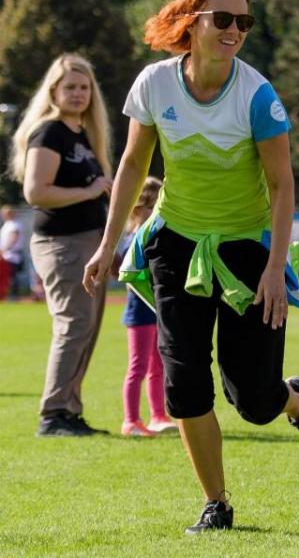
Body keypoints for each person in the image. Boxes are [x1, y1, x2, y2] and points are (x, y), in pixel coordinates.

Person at [81, 0, 299, 535]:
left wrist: (276, 269)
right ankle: (216, 503)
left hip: (249, 250)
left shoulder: (257, 95)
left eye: (242, 22)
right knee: (184, 383)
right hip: (175, 243)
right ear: (190, 22)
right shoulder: (153, 85)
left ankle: (298, 402)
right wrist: (108, 244)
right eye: (222, 19)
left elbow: (281, 186)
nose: (234, 31)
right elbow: (131, 166)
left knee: (254, 399)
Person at [10, 54, 113, 436]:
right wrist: (88, 190)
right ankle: (52, 414)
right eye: (69, 86)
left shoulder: (84, 135)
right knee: (74, 325)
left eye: (84, 87)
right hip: (61, 244)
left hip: (89, 244)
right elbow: (36, 192)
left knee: (87, 327)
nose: (78, 94)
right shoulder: (49, 132)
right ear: (53, 90)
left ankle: (70, 411)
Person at [118, 176, 175, 437]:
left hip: (157, 313)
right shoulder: (135, 240)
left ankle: (158, 415)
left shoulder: (155, 235)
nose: (156, 212)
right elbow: (131, 277)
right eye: (151, 206)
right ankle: (131, 420)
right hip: (140, 314)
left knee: (158, 366)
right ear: (138, 209)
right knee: (138, 366)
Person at [0, 205, 24, 300]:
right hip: (6, 254)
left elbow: (13, 238)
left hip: (12, 254)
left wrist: (5, 249)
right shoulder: (7, 224)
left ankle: (14, 295)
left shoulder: (15, 224)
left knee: (12, 275)